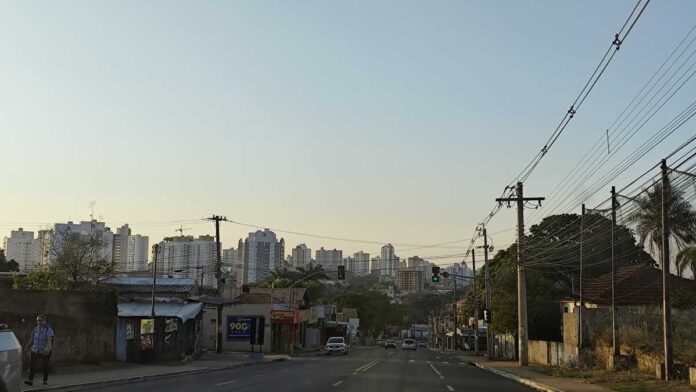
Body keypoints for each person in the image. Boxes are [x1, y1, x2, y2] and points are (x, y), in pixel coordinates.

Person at [24, 314, 54, 386]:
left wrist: (47, 349)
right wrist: (26, 347)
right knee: (32, 365)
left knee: (45, 365)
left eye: (40, 320)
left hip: (44, 351)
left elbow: (49, 340)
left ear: (44, 321)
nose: (39, 322)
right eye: (37, 320)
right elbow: (32, 340)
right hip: (35, 350)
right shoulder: (35, 329)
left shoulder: (48, 329)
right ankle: (30, 380)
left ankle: (45, 380)